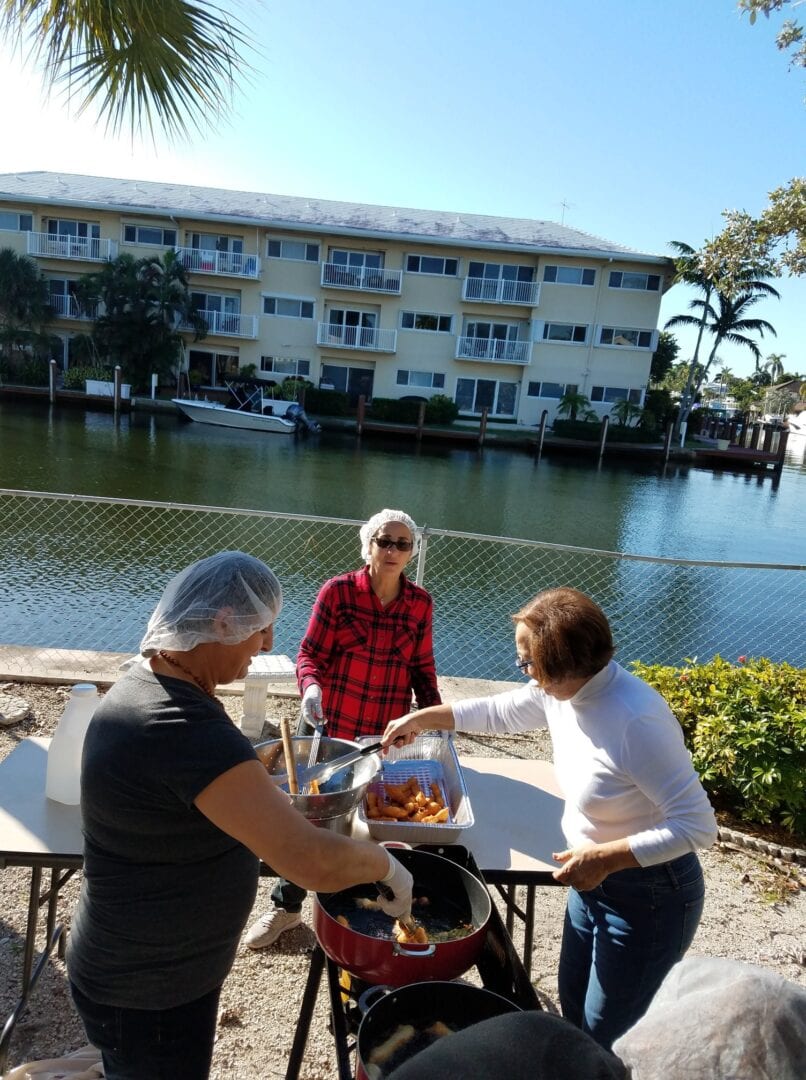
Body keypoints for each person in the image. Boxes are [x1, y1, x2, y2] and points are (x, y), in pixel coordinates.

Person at [66, 551, 413, 1080]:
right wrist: (385, 866)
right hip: (151, 991)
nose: (269, 644)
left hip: (134, 968)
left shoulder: (149, 683)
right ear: (224, 621)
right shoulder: (180, 723)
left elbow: (199, 792)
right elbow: (310, 861)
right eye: (262, 629)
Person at [382, 586, 717, 1051]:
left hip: (651, 895)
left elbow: (699, 825)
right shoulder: (562, 692)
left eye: (528, 663)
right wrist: (423, 718)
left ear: (564, 665)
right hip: (592, 881)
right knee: (573, 1010)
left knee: (608, 1036)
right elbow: (499, 711)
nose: (523, 673)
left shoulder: (636, 720)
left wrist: (605, 857)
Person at [245, 508, 440, 948]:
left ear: (411, 552)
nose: (392, 551)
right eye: (384, 542)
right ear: (367, 545)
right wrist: (310, 689)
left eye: (402, 544)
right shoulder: (337, 593)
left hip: (379, 734)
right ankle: (286, 908)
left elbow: (423, 670)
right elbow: (309, 654)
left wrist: (432, 717)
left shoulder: (420, 604)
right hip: (326, 728)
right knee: (306, 820)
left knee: (368, 823)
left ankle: (370, 912)